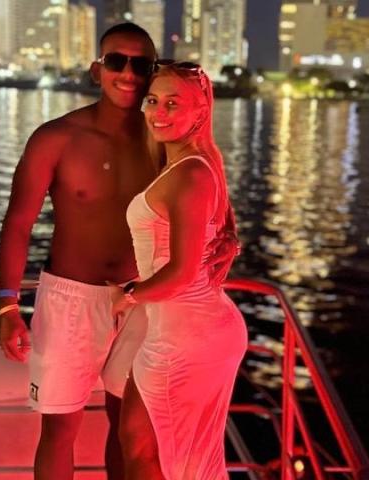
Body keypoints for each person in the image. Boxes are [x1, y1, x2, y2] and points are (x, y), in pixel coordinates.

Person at [0, 24, 237, 480]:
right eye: (116, 61)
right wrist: (8, 304)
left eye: (140, 65)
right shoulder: (56, 137)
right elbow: (18, 223)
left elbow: (204, 190)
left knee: (128, 429)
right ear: (97, 69)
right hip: (72, 298)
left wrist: (226, 238)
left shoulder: (164, 141)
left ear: (152, 73)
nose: (128, 73)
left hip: (141, 301)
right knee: (59, 429)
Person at [111, 61, 248, 480]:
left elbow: (183, 273)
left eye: (173, 103)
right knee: (150, 449)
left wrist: (127, 296)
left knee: (155, 454)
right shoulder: (192, 164)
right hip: (182, 327)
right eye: (153, 101)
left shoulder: (191, 172)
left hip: (187, 336)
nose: (159, 112)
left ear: (200, 112)